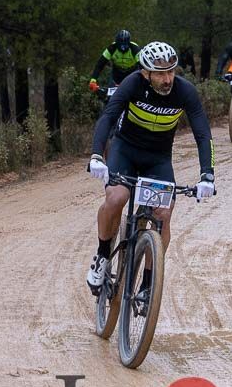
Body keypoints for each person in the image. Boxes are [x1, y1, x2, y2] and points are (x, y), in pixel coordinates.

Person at [85, 42, 215, 294]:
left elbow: (202, 133)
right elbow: (108, 117)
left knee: (163, 213)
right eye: (160, 73)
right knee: (117, 197)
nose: (167, 79)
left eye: (171, 72)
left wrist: (207, 173)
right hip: (125, 150)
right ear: (146, 73)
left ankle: (147, 283)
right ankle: (102, 255)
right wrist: (96, 156)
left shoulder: (184, 91)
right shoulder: (132, 84)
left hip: (158, 158)